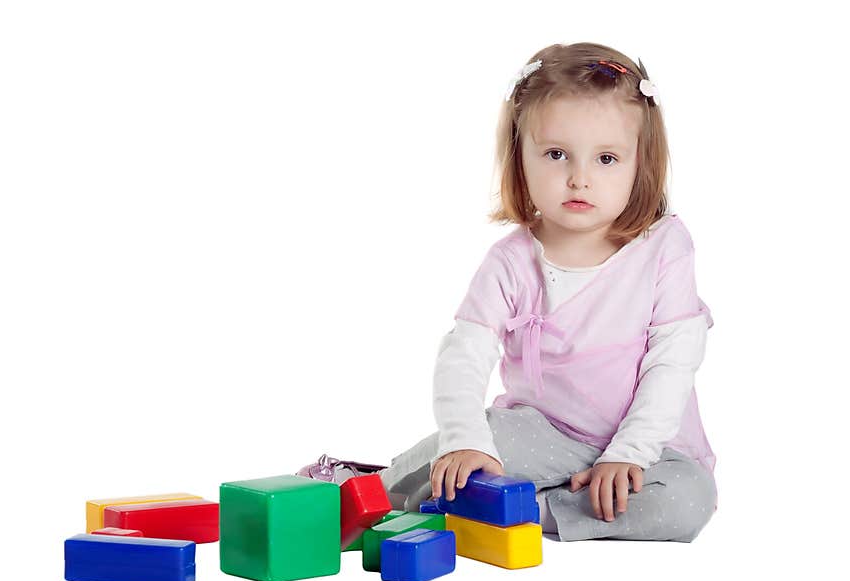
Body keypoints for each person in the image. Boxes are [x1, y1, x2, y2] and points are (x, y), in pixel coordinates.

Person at [300, 42, 717, 543]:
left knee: (689, 499)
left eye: (607, 158)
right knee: (480, 442)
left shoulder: (665, 246)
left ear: (640, 164)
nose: (580, 177)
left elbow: (673, 362)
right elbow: (464, 355)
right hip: (544, 435)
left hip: (651, 446)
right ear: (521, 159)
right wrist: (467, 441)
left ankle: (525, 510)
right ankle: (370, 489)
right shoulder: (512, 261)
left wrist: (629, 452)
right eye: (556, 154)